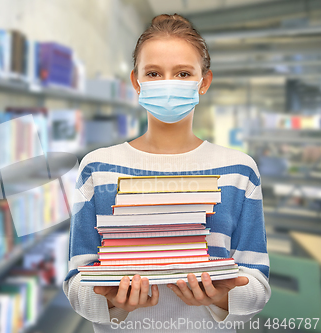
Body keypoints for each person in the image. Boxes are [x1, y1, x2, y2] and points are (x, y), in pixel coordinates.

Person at [62, 13, 271, 333]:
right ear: (136, 82)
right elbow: (77, 283)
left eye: (183, 73)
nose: (168, 84)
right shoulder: (98, 168)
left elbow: (257, 281)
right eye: (154, 73)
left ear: (204, 82)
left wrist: (224, 297)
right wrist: (112, 302)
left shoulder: (239, 170)